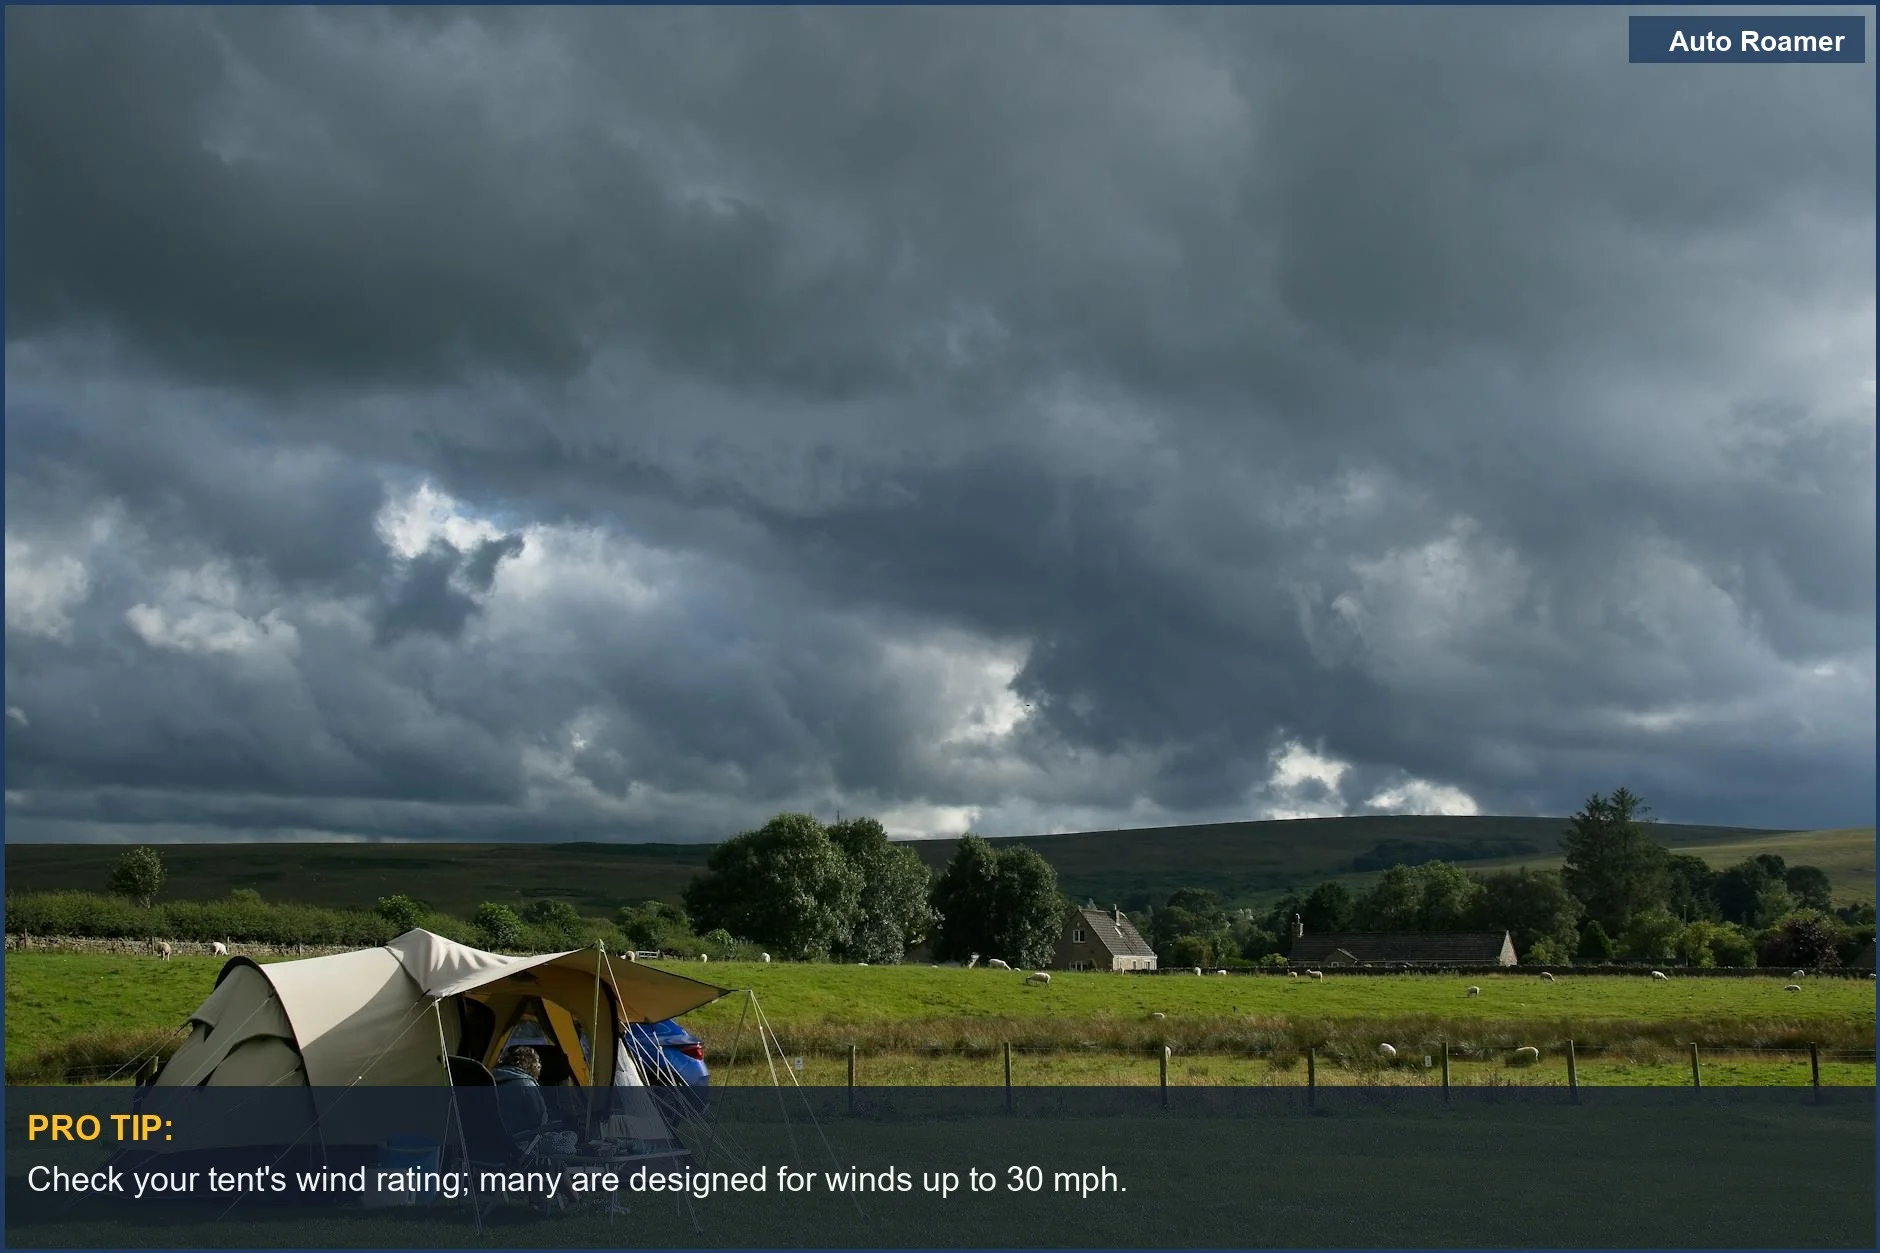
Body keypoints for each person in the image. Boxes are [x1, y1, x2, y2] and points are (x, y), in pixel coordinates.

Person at [491, 1046, 552, 1144]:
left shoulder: (491, 1079)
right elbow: (539, 1119)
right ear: (532, 1065)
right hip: (519, 1142)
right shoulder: (526, 1084)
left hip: (491, 1139)